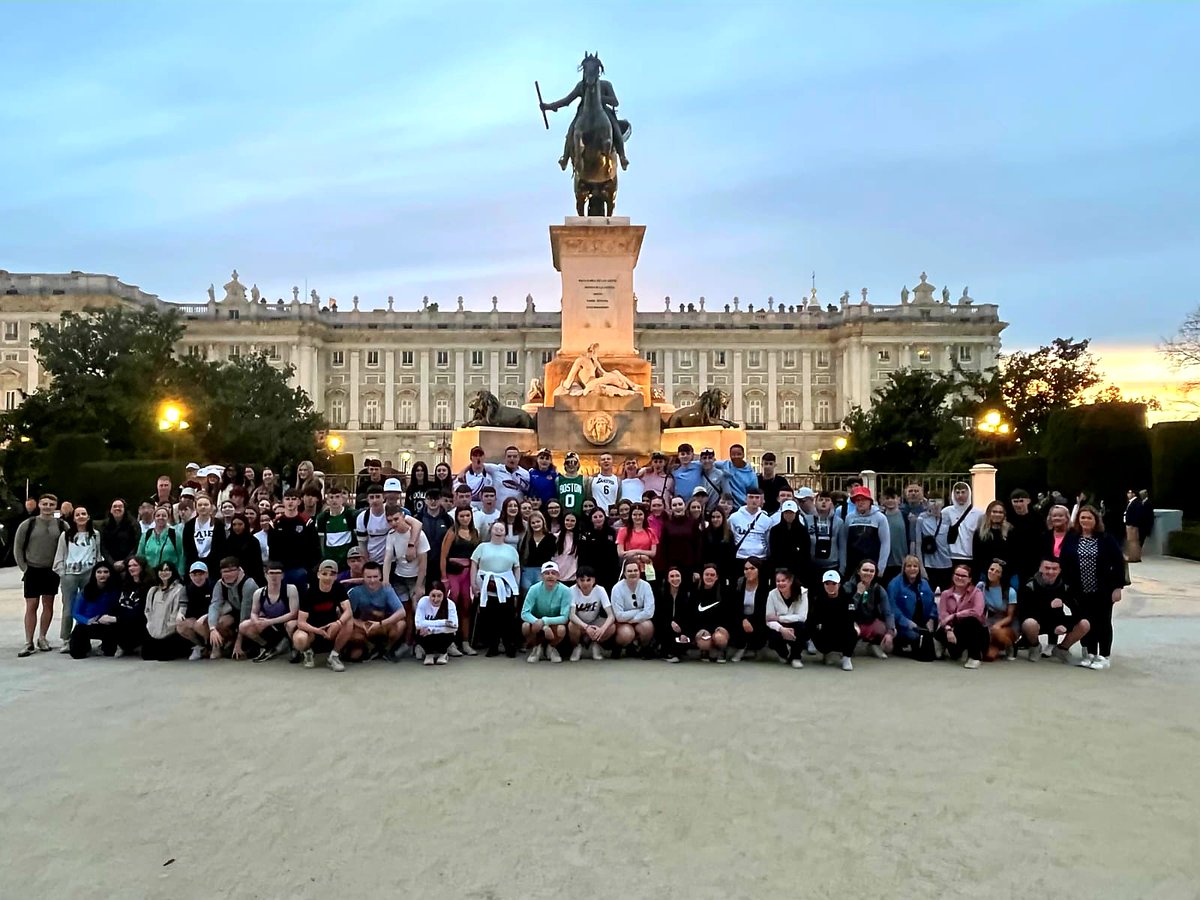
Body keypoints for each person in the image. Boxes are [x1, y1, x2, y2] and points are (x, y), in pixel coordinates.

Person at [1059, 505, 1126, 670]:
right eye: (1082, 518)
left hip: (1103, 589)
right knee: (1085, 621)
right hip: (1079, 590)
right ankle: (1089, 652)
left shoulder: (1106, 539)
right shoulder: (1072, 538)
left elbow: (1119, 563)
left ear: (1096, 520)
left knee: (1103, 621)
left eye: (1089, 518)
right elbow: (1064, 562)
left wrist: (1118, 587)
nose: (1085, 521)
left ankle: (1104, 655)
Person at [1017, 557, 1090, 664]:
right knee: (1029, 623)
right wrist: (1047, 604)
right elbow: (1023, 611)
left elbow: (1078, 609)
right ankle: (1035, 646)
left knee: (1084, 624)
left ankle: (1062, 649)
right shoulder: (1030, 585)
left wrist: (1066, 624)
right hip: (1036, 621)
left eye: (1054, 569)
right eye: (1047, 568)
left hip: (1057, 621)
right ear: (1040, 568)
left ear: (1060, 570)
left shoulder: (1065, 586)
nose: (1050, 572)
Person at [382, 504, 429, 654]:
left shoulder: (419, 535)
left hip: (416, 578)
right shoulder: (391, 535)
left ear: (403, 516)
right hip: (400, 577)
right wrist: (385, 579)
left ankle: (420, 643)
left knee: (418, 610)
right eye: (390, 521)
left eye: (396, 519)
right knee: (406, 611)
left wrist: (420, 585)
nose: (394, 523)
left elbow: (423, 562)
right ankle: (407, 643)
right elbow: (388, 558)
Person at [52, 505, 101, 650]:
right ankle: (66, 639)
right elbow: (60, 555)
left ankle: (83, 637)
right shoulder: (66, 535)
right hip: (70, 575)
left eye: (83, 514)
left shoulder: (95, 534)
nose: (81, 516)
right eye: (77, 514)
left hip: (89, 574)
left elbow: (97, 553)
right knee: (69, 607)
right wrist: (62, 572)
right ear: (73, 518)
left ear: (88, 517)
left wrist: (97, 572)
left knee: (87, 607)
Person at [471, 522, 521, 657]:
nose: (499, 531)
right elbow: (474, 564)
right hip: (487, 585)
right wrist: (473, 584)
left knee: (507, 617)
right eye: (496, 528)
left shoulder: (511, 550)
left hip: (506, 586)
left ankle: (508, 644)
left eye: (501, 529)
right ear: (491, 531)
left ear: (505, 532)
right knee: (489, 617)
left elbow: (516, 567)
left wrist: (515, 584)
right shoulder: (482, 547)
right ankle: (493, 645)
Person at [293, 559, 351, 671]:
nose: (328, 577)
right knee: (299, 639)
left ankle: (334, 656)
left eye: (332, 574)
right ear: (318, 574)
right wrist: (317, 630)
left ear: (336, 576)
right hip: (312, 630)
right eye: (324, 574)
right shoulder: (309, 592)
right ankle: (308, 652)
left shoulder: (338, 588)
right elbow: (301, 622)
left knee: (349, 620)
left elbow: (348, 610)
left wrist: (338, 623)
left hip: (332, 627)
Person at [344, 560, 406, 661]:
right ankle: (370, 647)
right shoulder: (355, 592)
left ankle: (387, 649)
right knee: (353, 648)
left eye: (375, 577)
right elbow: (347, 615)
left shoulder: (387, 589)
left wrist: (381, 623)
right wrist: (360, 624)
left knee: (401, 624)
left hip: (381, 624)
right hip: (364, 626)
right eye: (368, 577)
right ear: (363, 577)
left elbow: (402, 612)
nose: (372, 580)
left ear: (381, 576)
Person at [240, 561, 300, 663]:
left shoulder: (291, 589)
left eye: (277, 573)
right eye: (271, 573)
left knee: (290, 624)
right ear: (265, 575)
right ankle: (267, 646)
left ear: (282, 575)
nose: (274, 576)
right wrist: (256, 621)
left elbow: (293, 613)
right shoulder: (259, 593)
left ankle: (295, 648)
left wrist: (269, 622)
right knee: (243, 626)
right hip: (270, 624)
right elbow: (254, 612)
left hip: (287, 622)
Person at [440, 506, 480, 653]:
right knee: (452, 605)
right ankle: (450, 642)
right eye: (461, 516)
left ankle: (465, 642)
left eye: (467, 515)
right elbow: (443, 556)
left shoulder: (475, 533)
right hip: (453, 573)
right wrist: (444, 577)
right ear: (457, 517)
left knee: (466, 607)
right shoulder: (452, 533)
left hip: (469, 574)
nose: (465, 519)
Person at [936, 564, 988, 669]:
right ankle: (947, 647)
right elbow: (943, 615)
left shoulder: (976, 593)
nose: (959, 577)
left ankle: (974, 657)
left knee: (971, 621)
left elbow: (977, 612)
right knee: (940, 632)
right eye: (957, 574)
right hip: (953, 630)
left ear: (969, 579)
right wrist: (948, 629)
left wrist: (955, 616)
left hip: (974, 631)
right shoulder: (945, 594)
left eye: (963, 576)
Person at [520, 561, 572, 663]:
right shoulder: (533, 589)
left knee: (561, 629)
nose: (550, 576)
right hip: (536, 623)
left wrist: (545, 621)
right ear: (542, 576)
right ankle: (536, 647)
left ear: (558, 576)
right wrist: (541, 625)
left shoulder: (566, 591)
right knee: (525, 626)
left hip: (553, 623)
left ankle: (551, 647)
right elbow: (524, 613)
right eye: (547, 573)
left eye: (553, 573)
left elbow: (564, 617)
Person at [678, 562, 731, 663]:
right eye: (707, 574)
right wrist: (697, 631)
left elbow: (729, 615)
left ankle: (721, 650)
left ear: (716, 577)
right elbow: (690, 616)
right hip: (702, 629)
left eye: (712, 575)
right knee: (704, 642)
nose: (709, 577)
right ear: (702, 576)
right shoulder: (695, 593)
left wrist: (723, 628)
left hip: (718, 630)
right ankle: (705, 651)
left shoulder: (724, 593)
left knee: (720, 638)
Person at [206, 556, 257, 660]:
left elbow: (245, 614)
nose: (228, 574)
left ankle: (248, 645)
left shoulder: (249, 584)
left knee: (245, 626)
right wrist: (212, 629)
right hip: (235, 613)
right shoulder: (220, 584)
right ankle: (224, 645)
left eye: (232, 570)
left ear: (239, 570)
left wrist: (239, 644)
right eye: (225, 571)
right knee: (219, 622)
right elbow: (214, 605)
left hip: (253, 615)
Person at [888, 555, 938, 659]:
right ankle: (898, 643)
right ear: (904, 568)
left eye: (915, 566)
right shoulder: (894, 584)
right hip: (903, 624)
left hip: (922, 623)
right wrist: (906, 622)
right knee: (913, 636)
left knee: (930, 650)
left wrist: (931, 618)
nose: (912, 569)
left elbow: (933, 603)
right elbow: (892, 607)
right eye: (909, 566)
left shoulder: (925, 583)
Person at [843, 560, 895, 659]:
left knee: (888, 627)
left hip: (869, 621)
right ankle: (847, 648)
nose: (868, 573)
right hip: (852, 621)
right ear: (858, 571)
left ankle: (874, 645)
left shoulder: (879, 589)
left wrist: (890, 632)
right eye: (865, 570)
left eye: (872, 571)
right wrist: (858, 593)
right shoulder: (847, 587)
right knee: (848, 628)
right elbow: (847, 610)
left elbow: (888, 612)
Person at [269, 490, 320, 592]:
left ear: (299, 502)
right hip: (281, 570)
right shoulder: (276, 524)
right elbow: (272, 549)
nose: (290, 502)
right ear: (283, 502)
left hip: (301, 570)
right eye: (287, 499)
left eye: (293, 499)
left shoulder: (307, 522)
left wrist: (309, 571)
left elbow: (314, 548)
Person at [67, 563, 121, 658]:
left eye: (106, 572)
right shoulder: (86, 591)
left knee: (110, 653)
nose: (102, 575)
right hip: (87, 624)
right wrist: (87, 621)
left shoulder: (115, 591)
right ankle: (85, 646)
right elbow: (75, 612)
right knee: (77, 654)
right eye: (99, 572)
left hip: (106, 624)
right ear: (94, 575)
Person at [809, 569, 857, 671]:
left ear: (839, 585)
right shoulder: (818, 600)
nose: (830, 586)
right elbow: (813, 620)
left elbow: (849, 620)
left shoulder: (847, 599)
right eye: (827, 583)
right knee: (811, 627)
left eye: (834, 583)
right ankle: (827, 653)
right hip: (826, 633)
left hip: (842, 632)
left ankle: (846, 658)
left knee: (853, 631)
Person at [142, 561, 189, 661]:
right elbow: (147, 610)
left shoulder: (179, 589)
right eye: (161, 570)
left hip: (170, 631)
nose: (164, 573)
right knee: (147, 656)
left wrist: (168, 628)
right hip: (153, 630)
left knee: (164, 657)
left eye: (167, 570)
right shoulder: (153, 590)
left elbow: (177, 610)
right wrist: (151, 626)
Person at [609, 559, 656, 657]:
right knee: (627, 634)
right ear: (624, 573)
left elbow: (649, 612)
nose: (633, 573)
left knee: (647, 627)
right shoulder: (617, 588)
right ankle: (618, 647)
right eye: (629, 571)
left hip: (638, 620)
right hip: (622, 623)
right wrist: (639, 610)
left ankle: (643, 648)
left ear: (639, 572)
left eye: (635, 570)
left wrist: (633, 619)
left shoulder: (646, 586)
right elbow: (619, 616)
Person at [567, 566, 613, 661]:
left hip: (595, 621)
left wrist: (602, 629)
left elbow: (611, 615)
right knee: (571, 625)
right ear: (577, 580)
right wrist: (586, 627)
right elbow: (572, 615)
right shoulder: (572, 590)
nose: (585, 583)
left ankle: (595, 644)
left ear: (594, 580)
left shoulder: (600, 590)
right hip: (579, 623)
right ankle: (577, 646)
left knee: (611, 627)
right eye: (582, 580)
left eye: (588, 580)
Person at [842, 486, 890, 578]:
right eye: (857, 500)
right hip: (853, 565)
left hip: (872, 564)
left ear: (870, 501)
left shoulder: (880, 518)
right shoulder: (849, 517)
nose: (860, 502)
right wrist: (844, 565)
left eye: (864, 499)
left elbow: (885, 543)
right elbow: (844, 542)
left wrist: (881, 567)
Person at [764, 568, 808, 668]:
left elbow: (801, 617)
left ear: (791, 580)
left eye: (783, 580)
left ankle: (796, 656)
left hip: (795, 624)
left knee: (802, 627)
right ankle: (784, 653)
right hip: (779, 626)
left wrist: (779, 618)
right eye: (778, 581)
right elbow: (769, 619)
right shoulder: (772, 594)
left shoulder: (803, 593)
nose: (780, 583)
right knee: (771, 634)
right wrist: (781, 629)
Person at [729, 557, 771, 662]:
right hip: (742, 617)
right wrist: (743, 619)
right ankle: (741, 648)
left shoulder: (765, 585)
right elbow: (734, 606)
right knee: (733, 621)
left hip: (759, 617)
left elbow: (764, 608)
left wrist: (751, 620)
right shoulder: (739, 583)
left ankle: (757, 647)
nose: (748, 571)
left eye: (752, 568)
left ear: (759, 570)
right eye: (746, 569)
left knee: (763, 625)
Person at [175, 561, 215, 660]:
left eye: (200, 574)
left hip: (212, 617)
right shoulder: (186, 589)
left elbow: (220, 604)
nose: (197, 578)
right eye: (194, 574)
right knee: (181, 625)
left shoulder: (214, 585)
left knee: (199, 625)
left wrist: (208, 615)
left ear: (206, 574)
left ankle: (214, 646)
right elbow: (183, 605)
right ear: (190, 575)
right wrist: (180, 614)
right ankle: (201, 646)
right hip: (195, 618)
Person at [658, 495, 703, 585]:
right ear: (671, 508)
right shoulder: (667, 525)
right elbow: (663, 548)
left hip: (689, 567)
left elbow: (698, 546)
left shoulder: (693, 523)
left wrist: (697, 570)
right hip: (672, 567)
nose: (677, 507)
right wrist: (665, 570)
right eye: (674, 505)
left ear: (684, 505)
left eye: (680, 504)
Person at [413, 581, 459, 666]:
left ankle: (443, 653)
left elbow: (454, 626)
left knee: (449, 632)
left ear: (444, 595)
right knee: (420, 631)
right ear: (428, 594)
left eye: (439, 596)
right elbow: (418, 623)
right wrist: (443, 622)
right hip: (426, 635)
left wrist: (431, 629)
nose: (436, 599)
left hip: (442, 636)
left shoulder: (450, 604)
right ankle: (428, 653)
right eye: (433, 596)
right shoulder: (423, 601)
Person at [980, 559, 1018, 661]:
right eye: (991, 569)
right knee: (988, 657)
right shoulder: (981, 586)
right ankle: (996, 646)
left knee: (997, 632)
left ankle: (1010, 645)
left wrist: (998, 625)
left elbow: (1010, 616)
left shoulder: (1010, 591)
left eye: (997, 571)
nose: (993, 572)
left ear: (1001, 575)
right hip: (990, 619)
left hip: (1007, 622)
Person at [180, 494, 225, 579]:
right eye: (200, 505)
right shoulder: (189, 525)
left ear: (211, 507)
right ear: (196, 508)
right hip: (194, 565)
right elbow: (186, 547)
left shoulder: (219, 524)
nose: (203, 507)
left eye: (206, 505)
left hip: (213, 566)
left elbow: (221, 547)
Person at [114, 555, 151, 657]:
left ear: (142, 567)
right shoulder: (126, 583)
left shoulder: (149, 585)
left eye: (135, 565)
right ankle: (123, 646)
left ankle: (135, 645)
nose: (131, 568)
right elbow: (120, 604)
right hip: (123, 617)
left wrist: (117, 619)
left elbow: (142, 610)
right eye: (129, 566)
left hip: (140, 620)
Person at [808, 491, 846, 589]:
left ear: (832, 503)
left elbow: (842, 547)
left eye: (827, 500)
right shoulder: (807, 520)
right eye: (821, 500)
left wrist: (842, 569)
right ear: (815, 502)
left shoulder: (839, 522)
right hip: (813, 566)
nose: (824, 503)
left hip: (832, 566)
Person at [768, 500, 810, 588]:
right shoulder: (775, 531)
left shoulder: (802, 531)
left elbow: (805, 553)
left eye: (791, 513)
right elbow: (774, 551)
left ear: (796, 513)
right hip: (780, 569)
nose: (788, 515)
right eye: (786, 513)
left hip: (798, 570)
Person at [654, 566, 692, 663]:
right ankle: (663, 649)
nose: (675, 579)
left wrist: (684, 632)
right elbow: (658, 615)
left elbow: (689, 617)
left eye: (677, 576)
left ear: (681, 578)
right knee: (666, 631)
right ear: (667, 579)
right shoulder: (661, 593)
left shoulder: (687, 594)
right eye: (672, 576)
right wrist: (670, 623)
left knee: (682, 643)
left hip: (680, 629)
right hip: (665, 627)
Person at [972, 500, 1014, 586]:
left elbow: (1014, 553)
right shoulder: (979, 532)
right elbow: (977, 556)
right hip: (984, 574)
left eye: (1000, 512)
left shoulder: (1010, 531)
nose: (997, 514)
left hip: (1005, 574)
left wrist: (1001, 566)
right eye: (994, 512)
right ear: (988, 513)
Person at [943, 481, 982, 572]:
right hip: (952, 556)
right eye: (957, 492)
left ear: (969, 493)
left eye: (963, 492)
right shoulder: (946, 512)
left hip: (971, 557)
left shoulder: (979, 513)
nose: (960, 495)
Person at [1006, 489, 1043, 585]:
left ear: (1028, 501)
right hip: (1013, 565)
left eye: (1021, 501)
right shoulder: (1007, 520)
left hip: (1033, 564)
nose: (1018, 504)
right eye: (1015, 501)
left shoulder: (1037, 519)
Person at [577, 508, 621, 589]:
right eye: (595, 517)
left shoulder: (611, 532)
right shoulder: (586, 534)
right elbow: (582, 555)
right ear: (591, 519)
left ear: (605, 517)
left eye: (600, 516)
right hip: (591, 573)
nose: (598, 519)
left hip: (609, 573)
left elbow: (615, 554)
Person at [730, 486, 772, 569]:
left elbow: (768, 541)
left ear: (761, 500)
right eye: (751, 497)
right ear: (746, 499)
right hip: (740, 557)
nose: (754, 500)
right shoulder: (734, 518)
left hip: (760, 557)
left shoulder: (767, 520)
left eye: (757, 497)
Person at [315, 485, 355, 570]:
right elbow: (321, 541)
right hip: (330, 560)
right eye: (331, 497)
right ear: (327, 500)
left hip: (346, 561)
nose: (334, 500)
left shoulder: (350, 515)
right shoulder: (322, 518)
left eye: (337, 497)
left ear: (342, 498)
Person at [616, 503, 658, 578]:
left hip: (647, 569)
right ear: (631, 516)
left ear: (644, 515)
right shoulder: (623, 531)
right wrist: (640, 556)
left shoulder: (651, 531)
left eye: (640, 514)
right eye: (635, 515)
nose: (637, 517)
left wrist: (634, 552)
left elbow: (653, 553)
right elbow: (621, 553)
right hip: (630, 569)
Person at [918, 499, 952, 591]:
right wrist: (921, 566)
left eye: (938, 501)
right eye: (932, 501)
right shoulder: (922, 519)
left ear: (943, 503)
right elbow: (918, 543)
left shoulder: (948, 518)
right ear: (927, 503)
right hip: (929, 565)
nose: (935, 504)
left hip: (947, 565)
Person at [519, 511, 556, 592]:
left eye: (538, 521)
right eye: (533, 523)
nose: (536, 524)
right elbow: (522, 554)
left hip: (543, 571)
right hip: (527, 571)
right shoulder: (527, 538)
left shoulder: (550, 538)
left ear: (543, 521)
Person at [223, 513, 265, 586]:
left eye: (240, 524)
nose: (237, 527)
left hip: (251, 577)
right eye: (234, 524)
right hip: (233, 577)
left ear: (245, 525)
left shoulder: (253, 541)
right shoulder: (229, 541)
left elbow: (257, 563)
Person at [483, 445, 530, 510]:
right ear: (504, 458)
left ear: (518, 458)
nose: (512, 459)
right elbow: (476, 465)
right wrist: (463, 472)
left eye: (515, 456)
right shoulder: (496, 469)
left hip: (517, 511)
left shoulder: (525, 474)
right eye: (509, 456)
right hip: (499, 511)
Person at [137, 505, 182, 571]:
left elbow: (181, 555)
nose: (161, 518)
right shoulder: (146, 535)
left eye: (164, 516)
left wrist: (180, 573)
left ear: (168, 518)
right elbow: (140, 555)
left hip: (169, 573)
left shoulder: (175, 534)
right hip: (150, 574)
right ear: (154, 518)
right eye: (158, 516)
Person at [99, 499, 139, 572]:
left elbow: (136, 546)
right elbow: (102, 546)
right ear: (111, 510)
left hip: (128, 564)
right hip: (110, 564)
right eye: (114, 506)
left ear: (125, 509)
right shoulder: (104, 525)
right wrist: (112, 563)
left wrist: (125, 562)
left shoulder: (133, 525)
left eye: (120, 506)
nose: (117, 508)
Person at [702, 508, 737, 590]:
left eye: (718, 517)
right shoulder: (705, 533)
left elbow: (731, 556)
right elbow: (702, 554)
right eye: (713, 517)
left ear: (723, 518)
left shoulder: (729, 534)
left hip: (724, 572)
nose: (715, 519)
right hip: (709, 571)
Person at [878, 489, 908, 585]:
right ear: (881, 500)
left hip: (901, 562)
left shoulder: (906, 516)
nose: (890, 500)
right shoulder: (879, 517)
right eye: (887, 498)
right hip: (884, 564)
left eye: (893, 498)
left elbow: (912, 540)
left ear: (898, 500)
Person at [553, 511, 580, 585]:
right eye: (567, 520)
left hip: (572, 578)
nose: (569, 523)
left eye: (572, 521)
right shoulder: (555, 537)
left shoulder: (580, 538)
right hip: (557, 576)